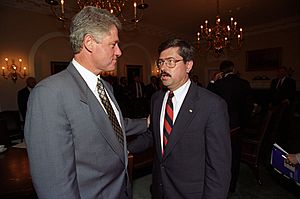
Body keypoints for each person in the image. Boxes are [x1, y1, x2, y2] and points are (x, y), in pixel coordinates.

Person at [24, 7, 147, 199]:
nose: (119, 52)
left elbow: (112, 126)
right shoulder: (49, 94)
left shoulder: (105, 86)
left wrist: (147, 122)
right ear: (89, 43)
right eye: (113, 44)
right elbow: (54, 184)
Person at [128, 38, 231, 199]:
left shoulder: (212, 105)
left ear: (188, 65)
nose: (163, 68)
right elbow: (153, 135)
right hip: (159, 187)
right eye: (161, 62)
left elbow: (219, 167)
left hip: (190, 192)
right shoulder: (156, 98)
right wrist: (126, 149)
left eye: (170, 62)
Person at [207, 60, 252, 192]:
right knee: (235, 155)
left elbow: (205, 100)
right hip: (238, 126)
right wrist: (243, 123)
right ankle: (232, 184)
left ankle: (220, 184)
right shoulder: (244, 83)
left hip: (221, 126)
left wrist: (213, 81)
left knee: (220, 155)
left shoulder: (219, 84)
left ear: (221, 71)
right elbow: (249, 107)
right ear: (233, 68)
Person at [269, 66, 296, 147]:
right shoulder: (274, 81)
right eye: (279, 71)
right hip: (275, 105)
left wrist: (287, 99)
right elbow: (271, 92)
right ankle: (273, 138)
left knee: (283, 123)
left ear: (285, 72)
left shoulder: (291, 81)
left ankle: (283, 140)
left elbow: (292, 94)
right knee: (273, 122)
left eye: (282, 72)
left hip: (284, 106)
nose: (280, 73)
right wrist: (270, 102)